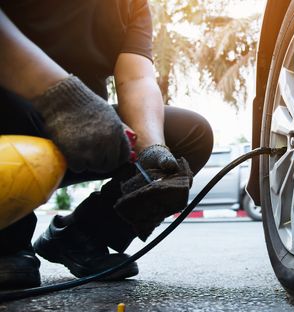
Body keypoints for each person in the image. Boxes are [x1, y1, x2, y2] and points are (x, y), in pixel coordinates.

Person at [0, 0, 213, 289]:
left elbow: (136, 77)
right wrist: (62, 99)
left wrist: (153, 151)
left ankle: (81, 236)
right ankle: (8, 242)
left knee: (191, 134)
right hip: (13, 119)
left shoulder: (131, 5)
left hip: (84, 130)